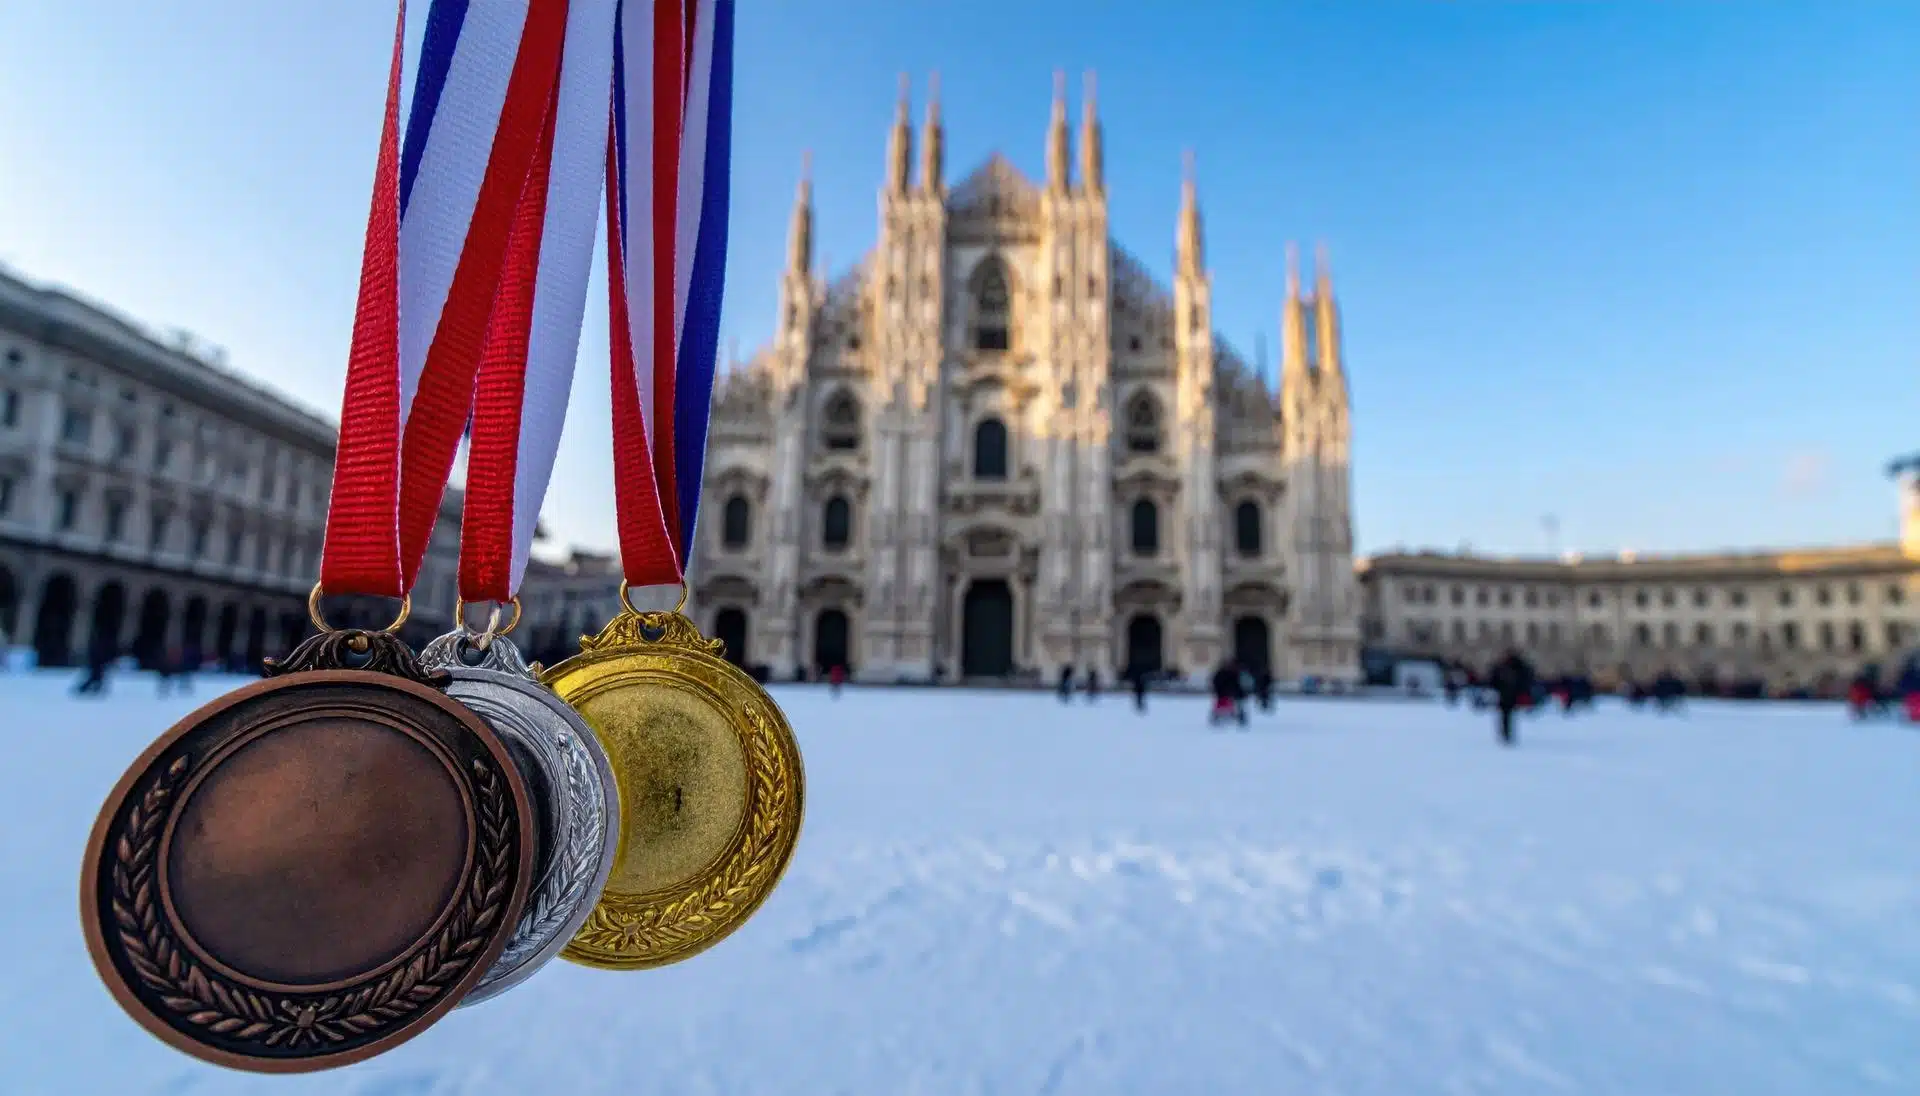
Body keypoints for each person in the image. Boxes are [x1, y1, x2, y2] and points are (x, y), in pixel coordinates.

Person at [1486, 648, 1536, 747]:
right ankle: (1506, 733)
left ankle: (1506, 733)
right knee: (1506, 716)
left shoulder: (1508, 667)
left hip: (1508, 695)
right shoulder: (1510, 667)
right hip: (1508, 695)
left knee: (1506, 716)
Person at [1209, 658, 1249, 728]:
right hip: (1225, 693)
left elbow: (1237, 684)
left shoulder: (1233, 673)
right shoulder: (1226, 673)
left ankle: (1237, 718)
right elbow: (1217, 683)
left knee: (1233, 706)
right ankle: (1218, 718)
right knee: (1222, 707)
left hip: (1230, 693)